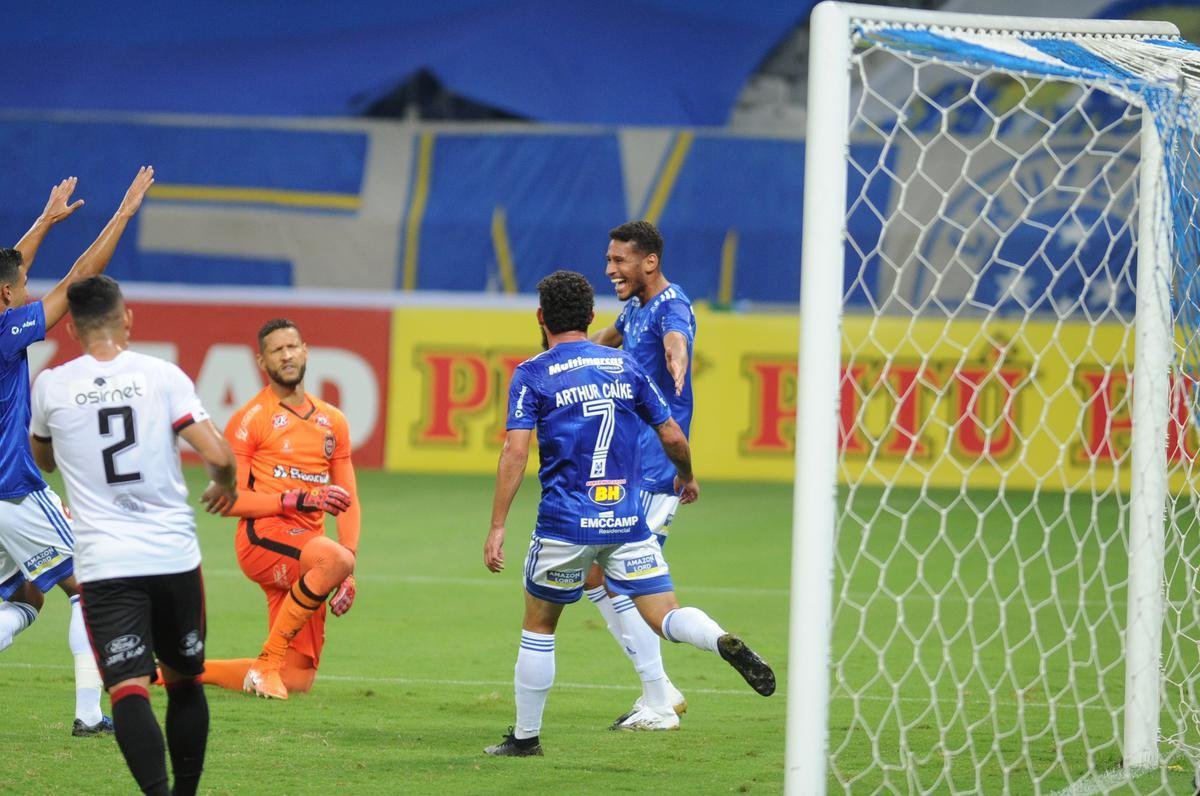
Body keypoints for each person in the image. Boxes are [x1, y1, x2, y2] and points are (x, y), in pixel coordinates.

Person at [482, 270, 774, 757]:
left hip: (566, 522)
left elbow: (514, 454)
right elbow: (674, 436)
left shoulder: (532, 373)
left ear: (540, 317)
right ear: (592, 316)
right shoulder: (623, 366)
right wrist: (687, 474)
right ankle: (718, 637)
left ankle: (525, 738)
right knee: (665, 614)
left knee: (539, 626)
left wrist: (496, 526)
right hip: (626, 518)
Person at [29, 274, 237, 795]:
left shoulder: (51, 386)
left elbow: (44, 458)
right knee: (185, 683)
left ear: (72, 328)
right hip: (172, 555)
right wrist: (224, 483)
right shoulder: (163, 377)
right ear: (128, 318)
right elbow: (217, 454)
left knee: (127, 690)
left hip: (105, 564)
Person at [0, 167, 155, 736]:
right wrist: (123, 214)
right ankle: (91, 715)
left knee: (23, 597)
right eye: (19, 291)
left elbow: (7, 270)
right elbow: (80, 278)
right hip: (10, 489)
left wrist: (42, 221)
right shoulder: (6, 331)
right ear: (5, 299)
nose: (26, 294)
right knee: (92, 592)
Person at [198, 318, 359, 700]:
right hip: (262, 537)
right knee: (330, 563)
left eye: (292, 347)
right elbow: (230, 498)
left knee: (296, 680)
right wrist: (293, 499)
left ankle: (174, 673)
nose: (286, 356)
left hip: (311, 550)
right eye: (276, 350)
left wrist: (346, 566)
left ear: (305, 351)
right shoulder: (250, 419)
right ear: (261, 361)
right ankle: (267, 662)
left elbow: (348, 498)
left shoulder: (332, 421)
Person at [585, 220, 696, 730]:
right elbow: (601, 341)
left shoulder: (672, 305)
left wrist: (677, 362)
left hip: (654, 471)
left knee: (627, 579)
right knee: (594, 573)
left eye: (619, 261)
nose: (610, 270)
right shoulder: (635, 307)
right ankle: (660, 691)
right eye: (609, 261)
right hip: (627, 463)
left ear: (649, 261)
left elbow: (675, 340)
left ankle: (660, 699)